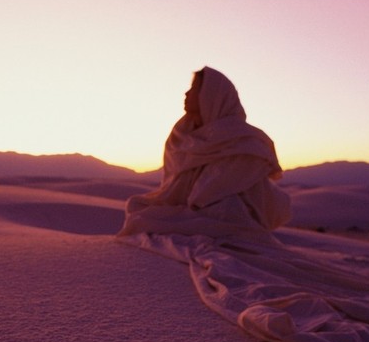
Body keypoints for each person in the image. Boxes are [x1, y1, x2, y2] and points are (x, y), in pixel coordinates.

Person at [118, 67, 291, 242]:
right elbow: (172, 188)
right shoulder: (181, 134)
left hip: (227, 211)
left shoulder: (243, 139)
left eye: (194, 88)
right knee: (137, 208)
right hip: (191, 208)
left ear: (210, 95)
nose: (186, 93)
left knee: (144, 222)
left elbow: (207, 194)